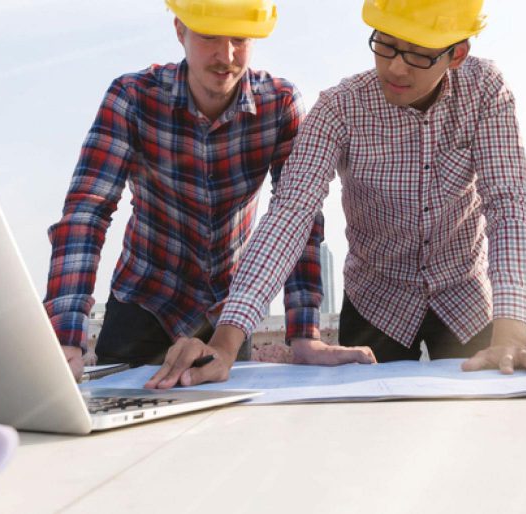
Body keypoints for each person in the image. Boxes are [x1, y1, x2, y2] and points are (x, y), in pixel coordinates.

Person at [147, 0, 526, 390]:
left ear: (456, 54)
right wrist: (225, 342)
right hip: (377, 302)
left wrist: (509, 336)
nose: (396, 67)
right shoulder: (339, 108)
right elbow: (290, 215)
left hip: (465, 298)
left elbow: (507, 205)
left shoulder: (485, 91)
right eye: (386, 45)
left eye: (417, 54)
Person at [43, 0, 326, 382]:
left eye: (239, 39)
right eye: (209, 36)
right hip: (144, 301)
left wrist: (304, 332)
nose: (225, 55)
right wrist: (66, 335)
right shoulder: (133, 97)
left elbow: (297, 219)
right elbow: (87, 211)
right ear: (181, 31)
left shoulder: (280, 105)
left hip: (227, 316)